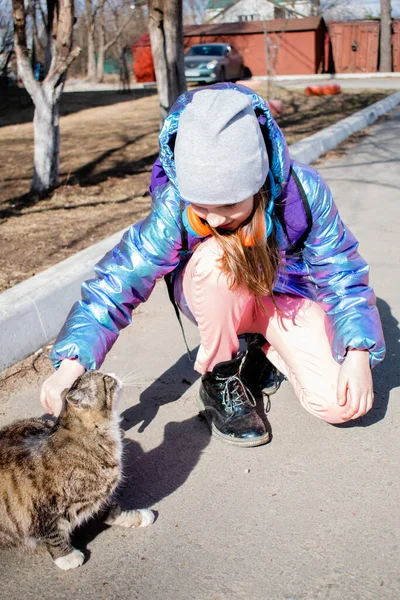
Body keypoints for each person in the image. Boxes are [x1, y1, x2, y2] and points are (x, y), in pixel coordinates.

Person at [40, 83, 385, 447]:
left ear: (257, 183)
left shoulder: (302, 193)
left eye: (229, 205)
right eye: (202, 205)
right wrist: (71, 367)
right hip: (220, 297)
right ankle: (221, 376)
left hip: (282, 300)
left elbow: (341, 271)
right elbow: (119, 281)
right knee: (217, 258)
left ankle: (263, 349)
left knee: (341, 403)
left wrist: (357, 352)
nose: (216, 220)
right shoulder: (175, 208)